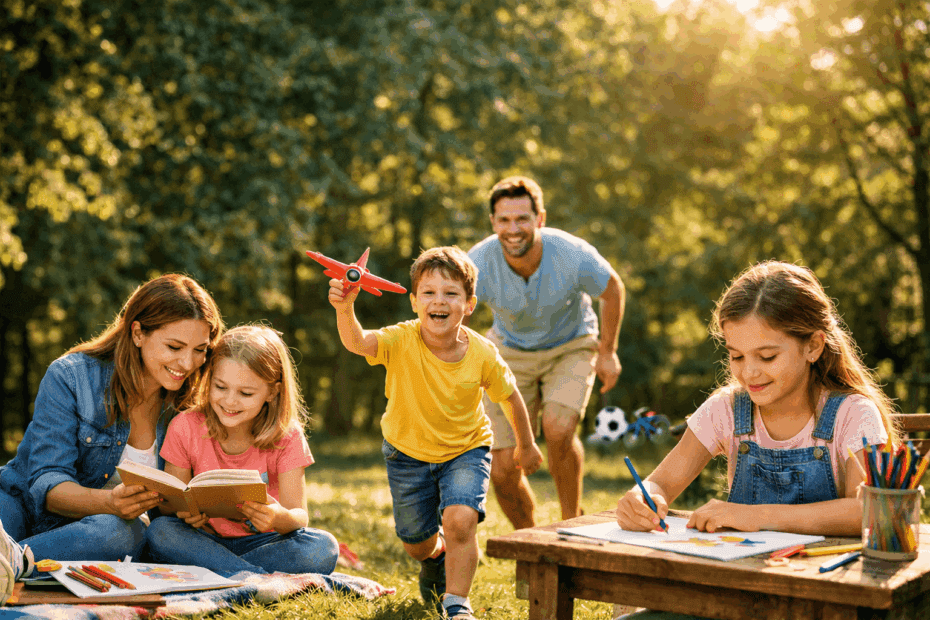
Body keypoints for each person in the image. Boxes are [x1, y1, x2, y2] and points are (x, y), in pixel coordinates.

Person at [328, 246, 543, 620]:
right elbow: (358, 343)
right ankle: (436, 555)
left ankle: (457, 602)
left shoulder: (483, 354)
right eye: (428, 292)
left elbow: (511, 398)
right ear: (414, 302)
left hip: (466, 450)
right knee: (416, 543)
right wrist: (345, 309)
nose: (438, 301)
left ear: (469, 304)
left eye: (450, 293)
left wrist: (526, 445)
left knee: (460, 521)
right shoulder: (400, 339)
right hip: (406, 454)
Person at [616, 260, 900, 535]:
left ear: (812, 346)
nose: (749, 373)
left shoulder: (853, 414)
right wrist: (643, 498)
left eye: (767, 356)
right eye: (736, 356)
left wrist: (756, 516)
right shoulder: (725, 410)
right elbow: (660, 484)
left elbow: (868, 510)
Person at [0, 274, 224, 588]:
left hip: (96, 533)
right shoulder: (71, 377)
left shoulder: (186, 408)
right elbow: (47, 485)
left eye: (200, 350)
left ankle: (12, 566)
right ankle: (14, 565)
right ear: (137, 333)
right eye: (174, 346)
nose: (187, 363)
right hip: (19, 504)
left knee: (124, 531)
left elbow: (168, 507)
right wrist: (110, 502)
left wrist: (192, 513)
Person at [467, 175, 626, 528]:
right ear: (493, 222)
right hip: (508, 350)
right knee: (503, 467)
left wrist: (608, 352)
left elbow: (612, 289)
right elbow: (451, 303)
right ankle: (532, 540)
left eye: (522, 218)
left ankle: (571, 524)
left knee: (557, 427)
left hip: (570, 344)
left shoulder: (571, 253)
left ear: (540, 219)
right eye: (504, 220)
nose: (513, 229)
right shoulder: (477, 262)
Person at [145, 325, 339, 576]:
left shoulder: (287, 435)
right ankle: (253, 577)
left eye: (246, 393)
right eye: (220, 387)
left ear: (273, 392)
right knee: (160, 531)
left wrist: (277, 517)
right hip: (203, 540)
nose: (230, 401)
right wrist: (185, 514)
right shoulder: (186, 426)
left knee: (323, 548)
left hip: (263, 543)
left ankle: (226, 574)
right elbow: (170, 505)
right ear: (209, 379)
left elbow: (299, 517)